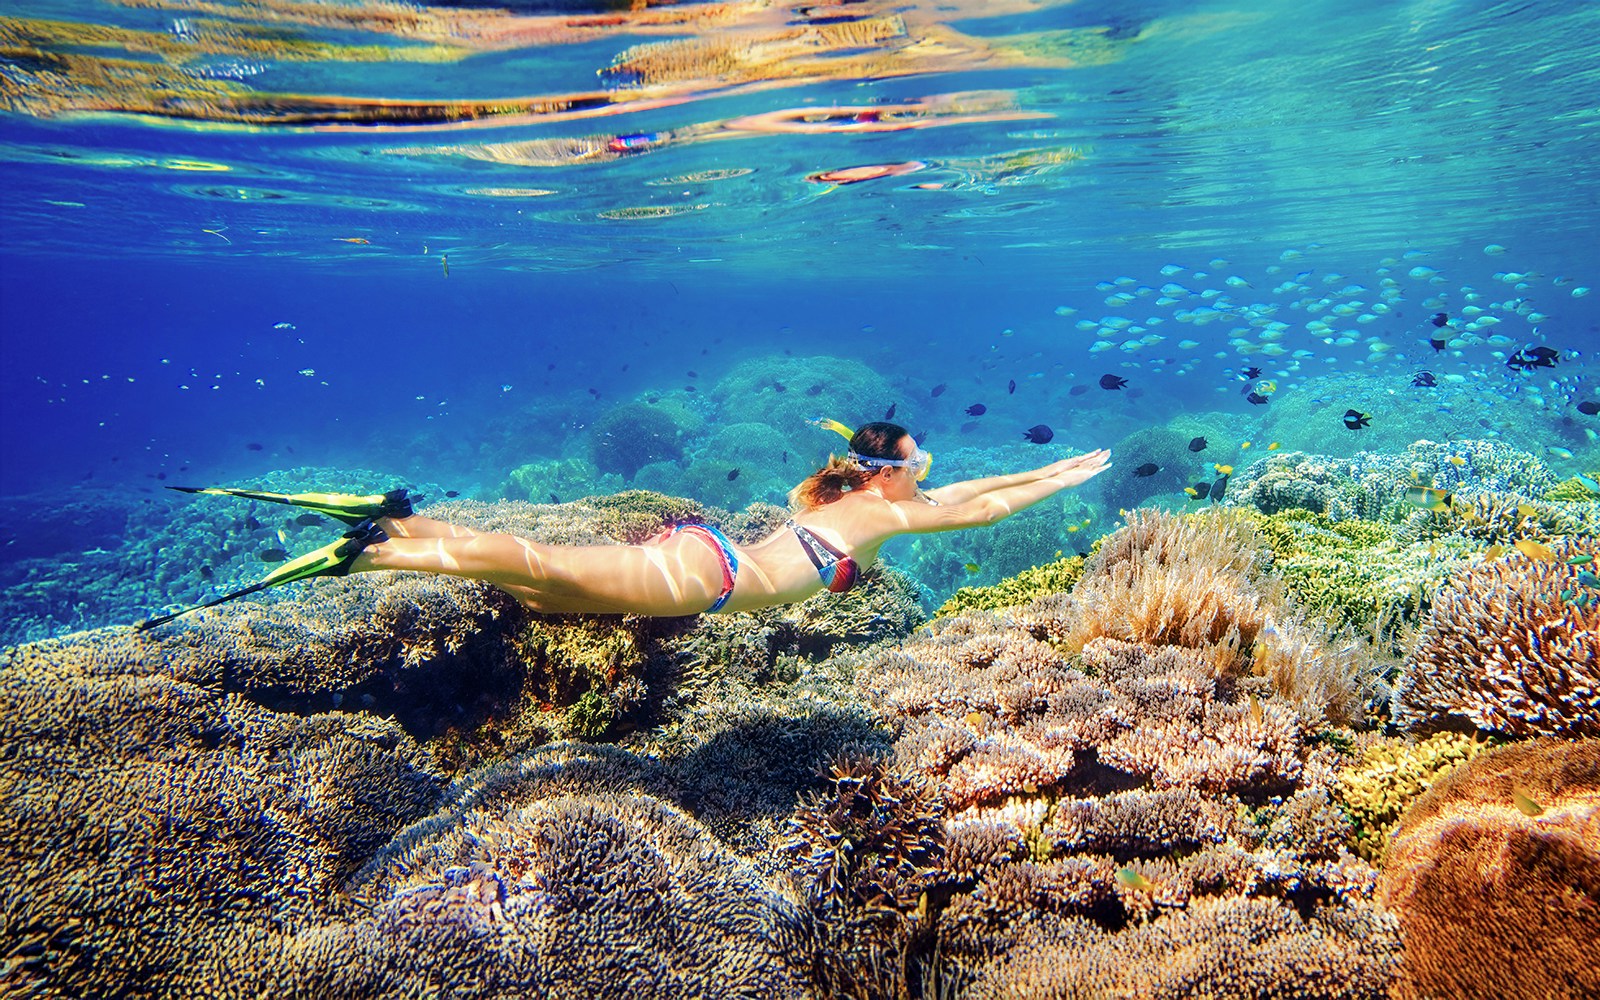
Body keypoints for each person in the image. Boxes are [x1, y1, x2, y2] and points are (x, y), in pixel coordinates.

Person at [139, 422, 1110, 628]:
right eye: (922, 469)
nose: (934, 483)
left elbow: (975, 484)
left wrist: (1052, 463)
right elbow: (982, 501)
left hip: (698, 554)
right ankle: (372, 547)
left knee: (533, 580)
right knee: (538, 572)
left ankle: (392, 527)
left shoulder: (833, 498)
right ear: (897, 476)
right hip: (705, 579)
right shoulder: (880, 518)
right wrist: (1055, 481)